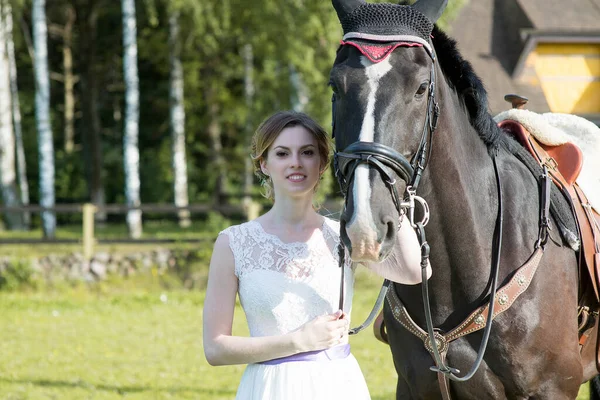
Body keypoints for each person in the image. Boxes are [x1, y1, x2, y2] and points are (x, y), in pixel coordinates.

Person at [203, 110, 428, 399]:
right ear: (264, 164)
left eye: (307, 153)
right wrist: (299, 341)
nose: (296, 163)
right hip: (269, 389)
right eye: (282, 153)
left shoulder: (344, 235)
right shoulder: (233, 242)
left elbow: (413, 272)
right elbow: (215, 348)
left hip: (336, 385)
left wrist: (395, 193)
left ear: (321, 163)